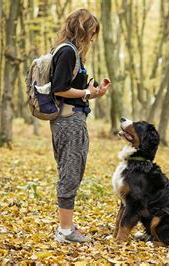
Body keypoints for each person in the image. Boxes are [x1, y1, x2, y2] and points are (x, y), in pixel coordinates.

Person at [50, 9, 110, 243]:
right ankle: (65, 232)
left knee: (71, 171)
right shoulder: (67, 51)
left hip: (73, 118)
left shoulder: (72, 52)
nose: (92, 39)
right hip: (68, 122)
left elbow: (74, 92)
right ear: (81, 30)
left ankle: (66, 228)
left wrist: (94, 93)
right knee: (70, 173)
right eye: (90, 33)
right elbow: (59, 88)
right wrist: (87, 92)